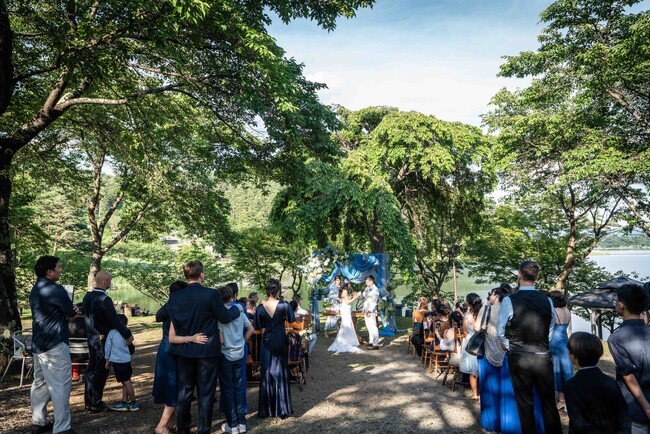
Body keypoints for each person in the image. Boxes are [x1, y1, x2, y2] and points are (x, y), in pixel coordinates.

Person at [166, 260, 240, 434]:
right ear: (201, 275)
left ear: (186, 276)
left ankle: (183, 429)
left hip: (184, 351)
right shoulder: (211, 294)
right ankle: (203, 430)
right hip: (207, 350)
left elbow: (171, 319)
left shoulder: (175, 297)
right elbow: (224, 317)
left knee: (184, 392)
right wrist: (237, 310)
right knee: (206, 393)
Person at [497, 260, 561, 434]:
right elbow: (550, 329)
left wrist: (510, 346)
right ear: (537, 277)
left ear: (518, 277)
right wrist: (541, 343)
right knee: (549, 403)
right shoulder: (547, 300)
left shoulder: (509, 300)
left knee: (524, 404)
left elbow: (500, 331)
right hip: (542, 355)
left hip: (519, 357)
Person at [29, 256, 78, 434]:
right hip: (55, 344)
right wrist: (74, 311)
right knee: (60, 386)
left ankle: (39, 422)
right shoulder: (56, 290)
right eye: (58, 267)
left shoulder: (36, 289)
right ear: (49, 272)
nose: (60, 269)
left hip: (38, 344)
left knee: (40, 383)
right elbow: (71, 314)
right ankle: (62, 428)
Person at [83, 270, 133, 414]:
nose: (110, 283)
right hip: (103, 339)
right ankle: (95, 403)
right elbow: (115, 320)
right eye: (110, 281)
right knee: (101, 370)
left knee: (92, 369)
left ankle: (89, 401)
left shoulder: (88, 297)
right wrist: (127, 334)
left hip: (91, 337)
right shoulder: (104, 299)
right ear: (105, 282)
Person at [564, 332, 628, 434]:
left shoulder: (571, 386)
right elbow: (623, 413)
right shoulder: (610, 382)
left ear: (573, 356)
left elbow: (578, 422)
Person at [607, 284, 650, 434]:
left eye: (616, 300)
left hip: (635, 408)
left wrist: (647, 408)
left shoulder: (616, 338)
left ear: (622, 304)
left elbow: (629, 377)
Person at [254, 278, 294, 418]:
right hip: (280, 339)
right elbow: (292, 320)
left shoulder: (260, 307)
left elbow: (259, 327)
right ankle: (282, 409)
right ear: (278, 290)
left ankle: (267, 409)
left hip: (267, 341)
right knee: (281, 370)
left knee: (266, 371)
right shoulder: (284, 305)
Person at [218, 285, 254, 434]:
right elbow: (251, 329)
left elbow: (220, 340)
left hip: (226, 354)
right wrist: (243, 341)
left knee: (227, 389)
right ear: (232, 296)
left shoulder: (219, 315)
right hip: (240, 353)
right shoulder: (239, 311)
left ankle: (232, 425)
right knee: (239, 387)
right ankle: (242, 423)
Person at [153, 280, 187, 434]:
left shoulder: (172, 306)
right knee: (174, 388)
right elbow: (158, 316)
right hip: (172, 350)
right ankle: (161, 426)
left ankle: (172, 422)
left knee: (171, 388)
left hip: (166, 349)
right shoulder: (176, 306)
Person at [476, 284, 510, 432]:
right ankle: (505, 422)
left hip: (488, 353)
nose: (489, 296)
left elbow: (477, 328)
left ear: (496, 295)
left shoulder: (487, 309)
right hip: (505, 353)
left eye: (491, 294)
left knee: (488, 388)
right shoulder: (508, 308)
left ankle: (491, 423)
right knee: (504, 389)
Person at [104, 314, 139, 412]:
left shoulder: (112, 333)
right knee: (125, 381)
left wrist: (107, 360)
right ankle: (124, 403)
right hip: (126, 360)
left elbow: (108, 348)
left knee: (127, 383)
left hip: (117, 361)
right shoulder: (127, 332)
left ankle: (134, 403)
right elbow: (129, 343)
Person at [548, 290, 573, 412]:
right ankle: (567, 399)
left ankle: (560, 400)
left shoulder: (554, 311)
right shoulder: (567, 310)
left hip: (554, 342)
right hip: (565, 341)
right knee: (566, 369)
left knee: (556, 370)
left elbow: (550, 329)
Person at [327, 282, 361, 353]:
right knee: (347, 324)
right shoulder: (345, 291)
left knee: (346, 323)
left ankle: (347, 339)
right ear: (347, 285)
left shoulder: (343, 291)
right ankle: (346, 340)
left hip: (344, 308)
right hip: (345, 309)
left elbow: (345, 300)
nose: (350, 285)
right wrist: (355, 297)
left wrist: (352, 296)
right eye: (349, 284)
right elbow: (348, 302)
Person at [460, 293, 482, 401]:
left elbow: (464, 330)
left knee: (472, 369)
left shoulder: (467, 316)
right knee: (481, 367)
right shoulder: (482, 313)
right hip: (481, 340)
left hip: (470, 340)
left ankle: (474, 394)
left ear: (469, 302)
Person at [361, 275, 380, 350]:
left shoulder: (375, 290)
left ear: (371, 281)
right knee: (368, 327)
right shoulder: (367, 288)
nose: (366, 283)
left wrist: (370, 311)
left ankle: (375, 344)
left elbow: (374, 302)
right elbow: (363, 297)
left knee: (373, 327)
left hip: (371, 311)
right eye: (366, 282)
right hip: (366, 309)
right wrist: (357, 296)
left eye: (367, 281)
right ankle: (371, 341)